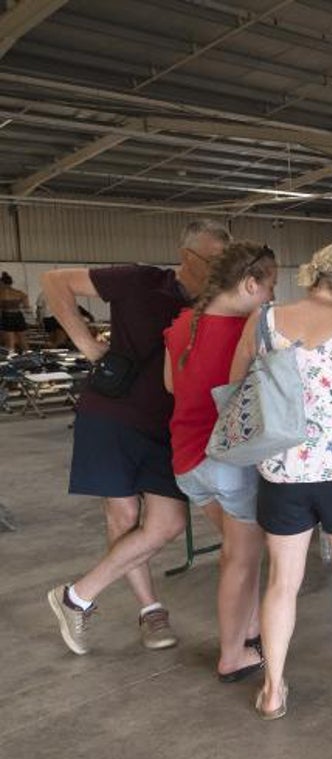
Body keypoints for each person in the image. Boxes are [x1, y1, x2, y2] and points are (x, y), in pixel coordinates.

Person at [44, 219, 230, 656]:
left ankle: (76, 596)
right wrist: (87, 345)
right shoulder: (141, 280)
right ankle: (150, 611)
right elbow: (54, 281)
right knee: (124, 516)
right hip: (112, 414)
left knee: (168, 523)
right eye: (213, 261)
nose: (220, 270)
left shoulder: (215, 305)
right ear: (187, 257)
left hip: (168, 427)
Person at [233, 243, 332, 720]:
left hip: (281, 469)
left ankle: (273, 690)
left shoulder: (262, 320)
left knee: (282, 581)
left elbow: (238, 388)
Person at [163, 241, 276, 682]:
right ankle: (232, 655)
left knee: (239, 550)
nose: (270, 296)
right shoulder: (249, 331)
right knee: (240, 559)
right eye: (269, 286)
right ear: (249, 284)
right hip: (229, 460)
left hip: (187, 459)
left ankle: (249, 632)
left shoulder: (182, 325)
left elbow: (171, 385)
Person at [0, 272, 30, 352]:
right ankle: (29, 355)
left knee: (10, 342)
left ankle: (11, 356)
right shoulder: (20, 293)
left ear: (2, 283)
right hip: (18, 316)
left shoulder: (1, 293)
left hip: (7, 316)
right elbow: (26, 307)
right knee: (23, 340)